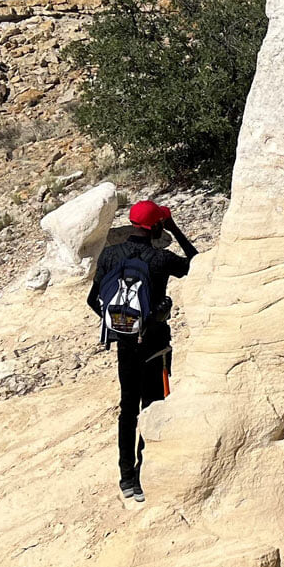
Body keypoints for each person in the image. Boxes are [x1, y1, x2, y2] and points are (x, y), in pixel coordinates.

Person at [87, 199, 198, 502]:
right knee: (153, 406)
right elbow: (197, 263)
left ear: (132, 223)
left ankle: (126, 478)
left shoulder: (110, 255)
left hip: (125, 347)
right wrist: (174, 227)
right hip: (156, 346)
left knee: (128, 410)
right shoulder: (160, 259)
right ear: (157, 226)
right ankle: (145, 473)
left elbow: (92, 300)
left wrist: (122, 328)